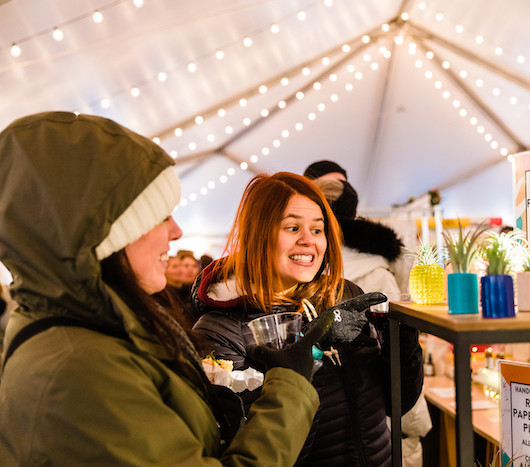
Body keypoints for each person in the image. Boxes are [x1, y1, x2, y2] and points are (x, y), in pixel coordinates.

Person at [0, 111, 333, 465]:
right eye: (160, 216)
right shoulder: (81, 370)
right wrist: (289, 386)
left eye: (318, 228)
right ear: (105, 234)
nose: (176, 232)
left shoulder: (109, 326)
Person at [191, 172, 424, 466]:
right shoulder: (219, 331)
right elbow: (260, 453)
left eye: (317, 230)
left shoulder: (345, 293)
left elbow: (397, 403)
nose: (308, 241)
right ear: (257, 233)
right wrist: (311, 351)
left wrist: (403, 348)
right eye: (292, 228)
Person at [313, 176, 432, 467]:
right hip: (383, 422)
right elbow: (399, 369)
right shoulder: (378, 271)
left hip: (337, 425)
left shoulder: (317, 271)